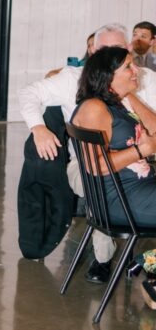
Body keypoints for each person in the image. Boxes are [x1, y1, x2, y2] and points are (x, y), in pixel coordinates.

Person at [18, 23, 156, 280]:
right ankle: (107, 260)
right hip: (95, 173)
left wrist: (129, 96)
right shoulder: (77, 85)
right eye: (106, 50)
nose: (132, 67)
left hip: (134, 173)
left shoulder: (136, 81)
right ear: (94, 52)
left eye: (120, 50)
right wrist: (39, 128)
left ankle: (143, 263)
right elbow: (96, 166)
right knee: (101, 192)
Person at [70, 46, 156, 227]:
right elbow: (95, 165)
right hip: (121, 201)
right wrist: (142, 150)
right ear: (107, 75)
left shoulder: (118, 103)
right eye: (128, 66)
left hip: (140, 189)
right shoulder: (94, 108)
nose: (137, 70)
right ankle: (148, 257)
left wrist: (128, 94)